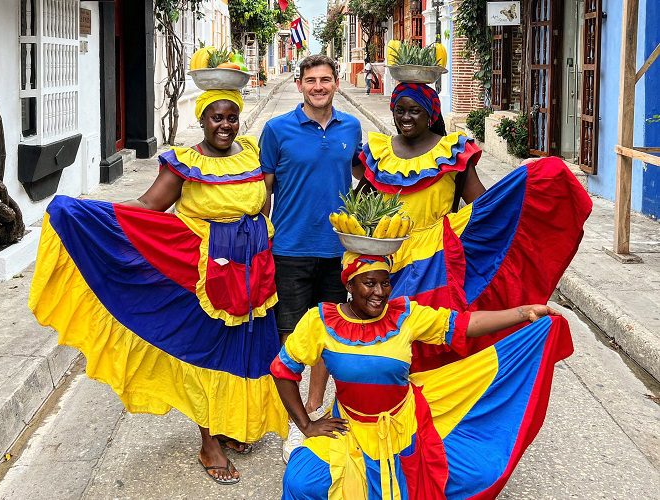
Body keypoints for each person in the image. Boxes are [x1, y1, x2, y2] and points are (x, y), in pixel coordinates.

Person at [29, 89, 288, 485]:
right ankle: (209, 442)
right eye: (216, 118)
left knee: (246, 347)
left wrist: (257, 237)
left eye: (232, 117)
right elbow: (149, 207)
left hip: (254, 272)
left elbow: (262, 202)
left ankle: (231, 423)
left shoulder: (252, 153)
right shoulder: (184, 163)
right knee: (207, 352)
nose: (225, 125)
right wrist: (94, 210)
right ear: (202, 120)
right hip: (202, 276)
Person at [271, 252, 573, 498]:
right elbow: (283, 370)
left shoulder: (405, 315)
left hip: (405, 424)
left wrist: (523, 313)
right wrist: (306, 424)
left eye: (385, 283)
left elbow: (463, 325)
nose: (379, 293)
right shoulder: (320, 321)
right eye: (369, 283)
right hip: (350, 426)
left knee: (473, 471)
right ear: (349, 285)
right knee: (301, 481)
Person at [358, 82, 593, 371]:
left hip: (435, 258)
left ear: (431, 114)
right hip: (386, 255)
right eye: (400, 110)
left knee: (428, 334)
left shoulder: (452, 152)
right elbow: (360, 203)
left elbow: (481, 203)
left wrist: (519, 190)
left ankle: (429, 396)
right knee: (382, 331)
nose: (406, 117)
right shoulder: (378, 152)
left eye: (415, 111)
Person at [259, 54, 364, 463]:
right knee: (292, 339)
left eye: (325, 79)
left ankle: (317, 409)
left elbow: (368, 175)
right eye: (311, 80)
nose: (318, 86)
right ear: (298, 85)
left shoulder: (351, 128)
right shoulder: (276, 130)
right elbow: (262, 192)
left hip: (338, 251)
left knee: (331, 336)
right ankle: (294, 419)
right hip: (289, 249)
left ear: (336, 84)